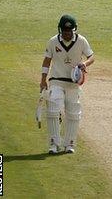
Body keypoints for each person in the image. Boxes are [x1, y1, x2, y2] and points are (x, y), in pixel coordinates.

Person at [40, 14, 95, 154]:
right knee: (52, 109)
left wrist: (85, 63)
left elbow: (91, 56)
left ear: (74, 30)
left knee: (73, 113)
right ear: (60, 30)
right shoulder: (53, 41)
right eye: (64, 32)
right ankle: (54, 144)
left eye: (69, 32)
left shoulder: (81, 41)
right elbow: (47, 61)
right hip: (56, 80)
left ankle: (69, 144)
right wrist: (42, 80)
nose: (67, 34)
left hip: (73, 83)